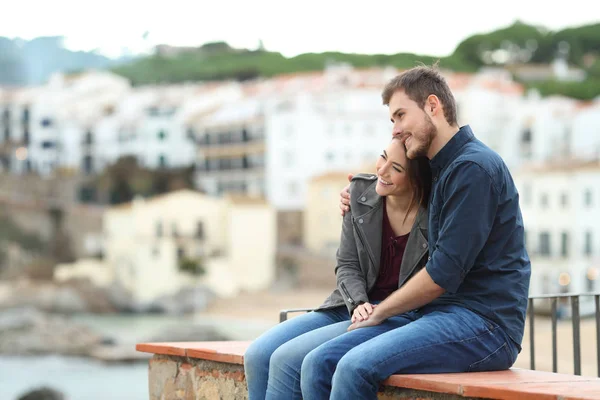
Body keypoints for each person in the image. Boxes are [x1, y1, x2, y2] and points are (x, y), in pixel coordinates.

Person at [331, 65, 531, 399]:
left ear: (433, 106)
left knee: (354, 366)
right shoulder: (441, 168)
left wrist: (380, 311)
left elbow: (442, 273)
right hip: (439, 316)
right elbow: (394, 189)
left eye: (400, 116)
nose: (395, 131)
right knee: (323, 360)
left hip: (485, 326)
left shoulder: (472, 168)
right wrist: (357, 198)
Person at [244, 136, 432, 399]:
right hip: (350, 305)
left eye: (396, 168)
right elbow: (347, 264)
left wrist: (376, 309)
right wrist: (357, 303)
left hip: (396, 315)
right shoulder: (360, 193)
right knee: (258, 354)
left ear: (416, 181)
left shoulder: (435, 214)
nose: (382, 169)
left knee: (288, 359)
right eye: (383, 157)